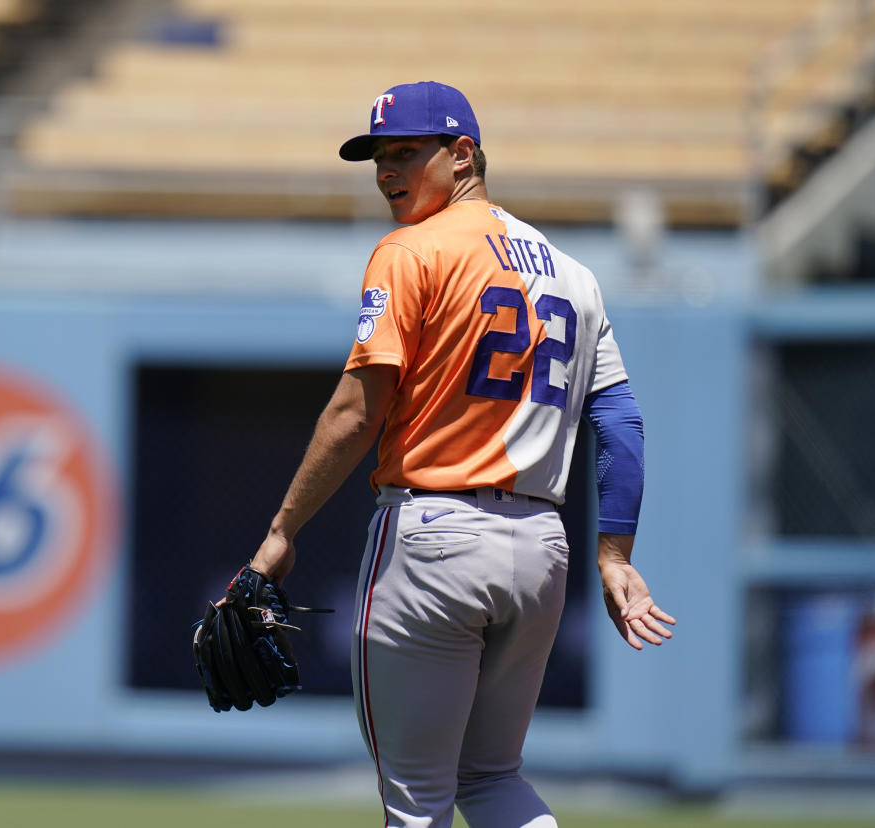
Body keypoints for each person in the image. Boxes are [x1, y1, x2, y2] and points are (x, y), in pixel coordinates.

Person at [249, 81, 675, 828]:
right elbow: (621, 419)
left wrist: (282, 532)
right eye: (379, 156)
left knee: (416, 803)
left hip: (434, 536)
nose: (386, 171)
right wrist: (614, 553)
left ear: (463, 154)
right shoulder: (575, 275)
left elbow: (356, 413)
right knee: (491, 779)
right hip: (541, 549)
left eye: (406, 153)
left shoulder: (410, 251)